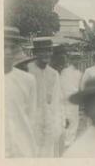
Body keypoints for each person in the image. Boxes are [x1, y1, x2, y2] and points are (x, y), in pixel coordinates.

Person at [27, 38, 64, 157]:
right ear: (35, 53)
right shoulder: (27, 72)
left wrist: (58, 124)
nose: (46, 54)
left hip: (49, 123)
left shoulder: (54, 74)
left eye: (49, 50)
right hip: (31, 122)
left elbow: (58, 102)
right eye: (42, 51)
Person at [4, 26, 37, 158]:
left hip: (22, 151)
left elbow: (31, 118)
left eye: (12, 47)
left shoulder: (28, 80)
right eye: (3, 46)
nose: (7, 52)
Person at [60, 51, 83, 149]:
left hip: (76, 100)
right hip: (67, 98)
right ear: (70, 59)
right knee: (67, 118)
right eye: (74, 58)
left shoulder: (79, 73)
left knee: (75, 119)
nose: (76, 61)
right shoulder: (65, 71)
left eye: (78, 58)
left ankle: (71, 140)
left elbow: (80, 86)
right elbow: (64, 85)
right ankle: (66, 140)